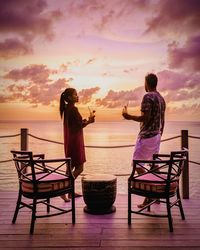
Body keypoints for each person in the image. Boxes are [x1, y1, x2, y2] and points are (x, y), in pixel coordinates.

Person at [122, 73, 166, 207]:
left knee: (137, 164)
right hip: (157, 135)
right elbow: (162, 120)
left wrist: (128, 116)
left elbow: (145, 118)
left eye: (144, 82)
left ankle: (150, 195)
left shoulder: (148, 96)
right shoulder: (161, 98)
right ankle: (157, 194)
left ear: (147, 83)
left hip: (147, 136)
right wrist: (159, 134)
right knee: (153, 164)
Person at [59, 88, 95, 202]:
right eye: (75, 95)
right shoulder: (73, 109)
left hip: (69, 140)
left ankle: (68, 192)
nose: (77, 96)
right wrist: (89, 121)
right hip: (75, 141)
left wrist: (87, 121)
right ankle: (64, 188)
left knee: (69, 168)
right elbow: (78, 126)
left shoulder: (66, 109)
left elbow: (75, 124)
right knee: (79, 168)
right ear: (69, 98)